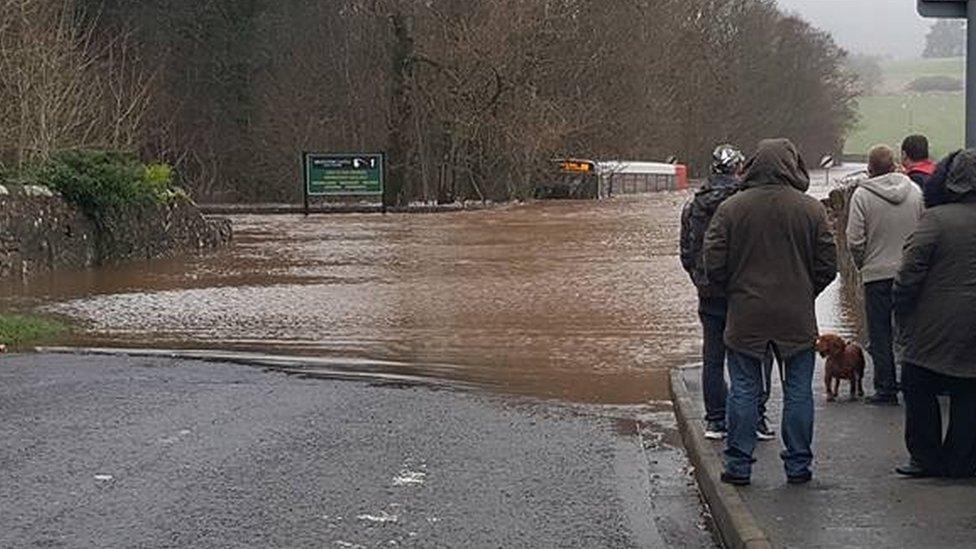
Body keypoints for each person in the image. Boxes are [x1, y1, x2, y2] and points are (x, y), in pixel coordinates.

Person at [704, 139, 837, 486]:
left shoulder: (731, 209)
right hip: (796, 315)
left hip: (746, 313)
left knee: (744, 389)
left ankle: (738, 466)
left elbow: (712, 265)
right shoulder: (811, 210)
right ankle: (797, 466)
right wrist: (805, 292)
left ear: (752, 166)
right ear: (793, 166)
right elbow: (828, 265)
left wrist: (734, 294)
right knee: (797, 391)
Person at [680, 145, 775, 442]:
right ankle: (756, 417)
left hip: (709, 291)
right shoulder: (749, 204)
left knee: (712, 356)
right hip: (745, 291)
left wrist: (701, 280)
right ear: (738, 168)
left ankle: (716, 421)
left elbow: (686, 252)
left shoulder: (694, 205)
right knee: (757, 353)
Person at [893, 149, 976, 479]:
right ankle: (963, 459)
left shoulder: (936, 219)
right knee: (969, 391)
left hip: (933, 324)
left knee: (919, 384)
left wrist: (902, 307)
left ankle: (925, 457)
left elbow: (910, 270)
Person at [846, 145, 923, 406]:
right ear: (894, 165)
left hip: (877, 273)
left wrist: (863, 264)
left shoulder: (862, 196)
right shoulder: (915, 192)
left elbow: (854, 239)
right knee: (910, 330)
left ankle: (886, 387)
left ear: (870, 168)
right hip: (910, 272)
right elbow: (924, 231)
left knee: (880, 333)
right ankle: (915, 384)